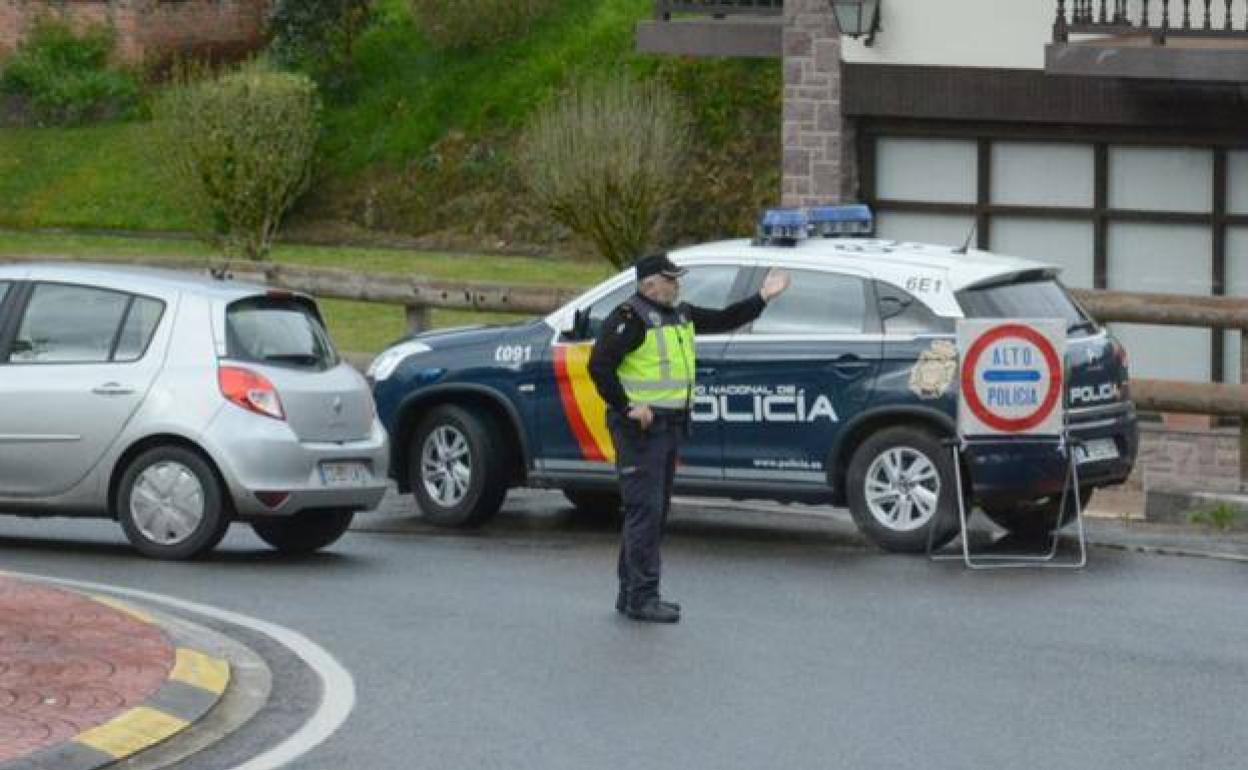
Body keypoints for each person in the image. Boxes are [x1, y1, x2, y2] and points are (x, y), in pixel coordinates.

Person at [588, 253, 790, 623]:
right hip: (640, 430)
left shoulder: (680, 313)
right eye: (671, 280)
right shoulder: (629, 319)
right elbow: (599, 366)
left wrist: (763, 297)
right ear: (650, 284)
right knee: (644, 513)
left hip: (669, 427)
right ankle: (643, 597)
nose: (678, 285)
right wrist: (628, 406)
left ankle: (630, 592)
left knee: (652, 512)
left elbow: (725, 318)